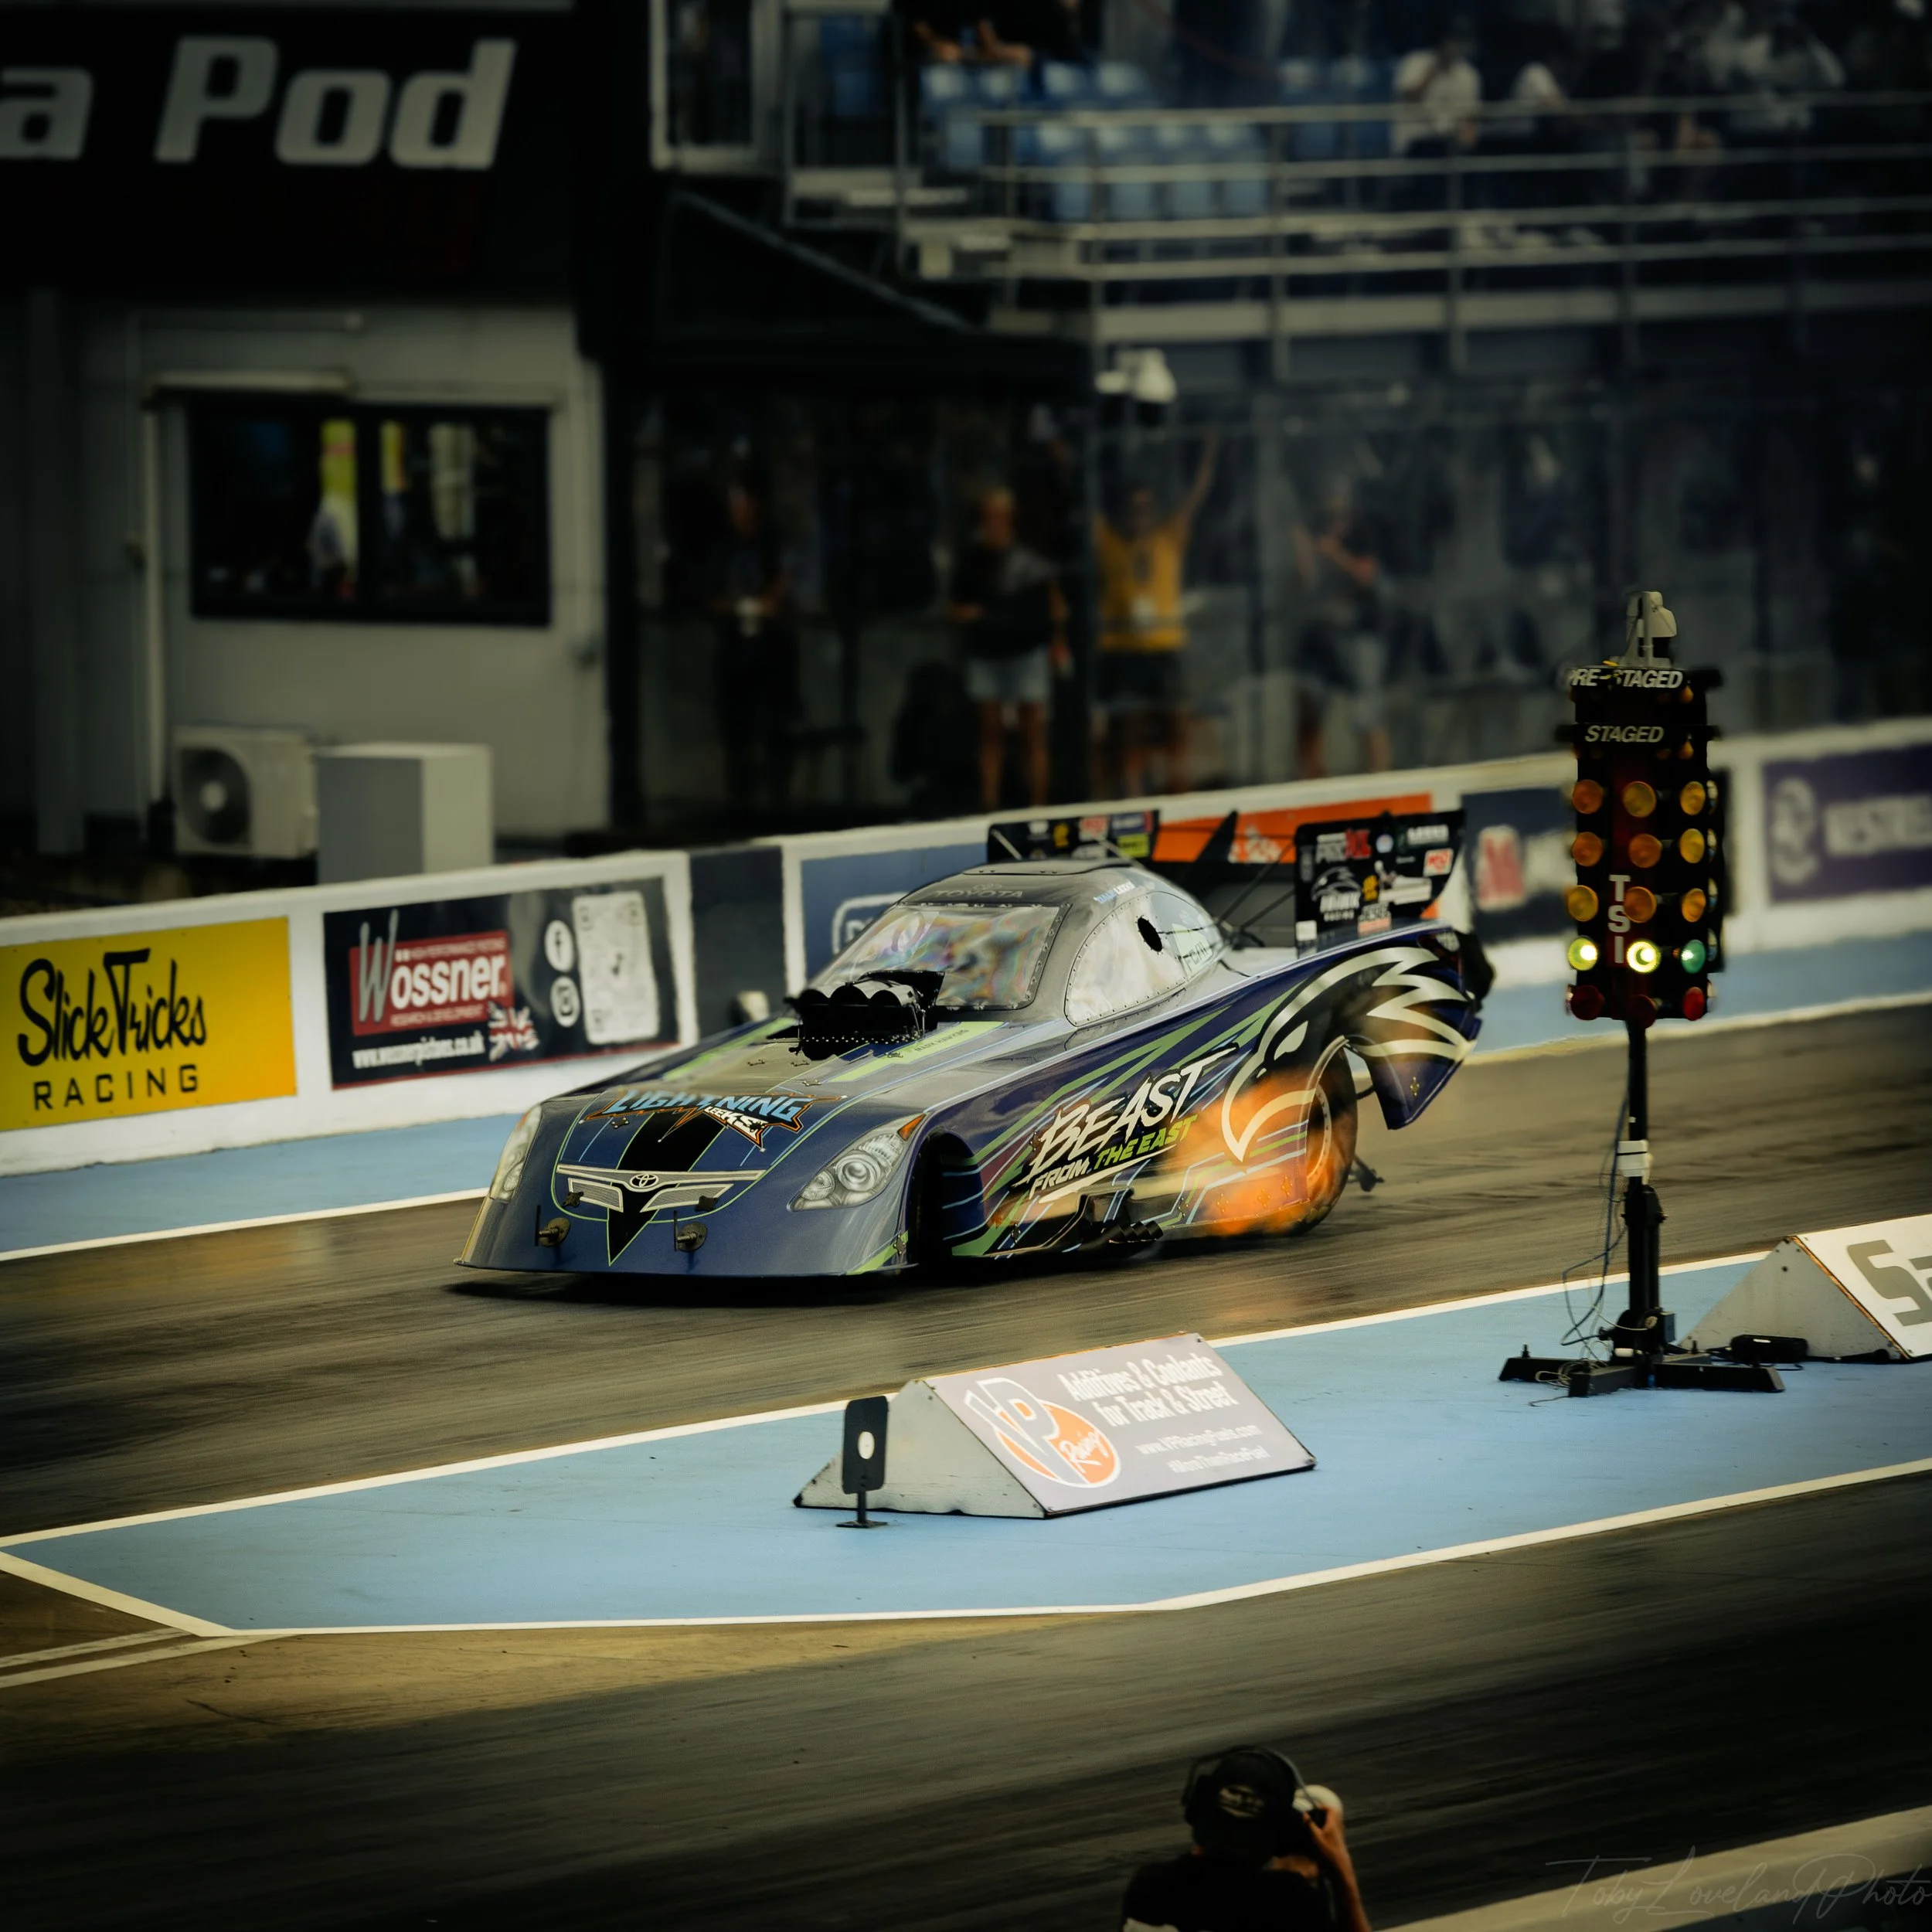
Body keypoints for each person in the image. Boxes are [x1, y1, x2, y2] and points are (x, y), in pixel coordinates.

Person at [1121, 1745, 1372, 1932]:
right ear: (1284, 1834)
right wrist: (1341, 1873)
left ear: (1197, 1807)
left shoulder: (1149, 1888)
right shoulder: (1289, 1902)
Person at [1094, 431, 1218, 798]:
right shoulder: (1111, 545)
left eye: (1146, 508)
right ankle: (1133, 796)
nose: (1140, 515)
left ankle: (1179, 792)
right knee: (1129, 729)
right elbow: (1087, 510)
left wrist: (1211, 445)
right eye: (1134, 508)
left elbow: (1197, 493)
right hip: (1125, 649)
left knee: (1177, 724)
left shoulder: (1168, 538)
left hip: (1165, 646)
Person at [948, 485, 1067, 809]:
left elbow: (1054, 604)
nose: (996, 521)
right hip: (987, 654)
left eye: (1002, 515)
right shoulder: (972, 559)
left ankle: (1038, 806)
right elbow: (956, 607)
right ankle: (989, 805)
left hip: (1027, 651)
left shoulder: (1029, 557)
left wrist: (1058, 642)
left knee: (1033, 734)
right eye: (990, 515)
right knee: (990, 734)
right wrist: (975, 615)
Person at [707, 479, 801, 808]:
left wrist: (766, 604)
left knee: (774, 727)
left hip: (771, 652)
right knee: (737, 732)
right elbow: (710, 593)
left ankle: (778, 797)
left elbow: (786, 580)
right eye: (734, 507)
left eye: (744, 505)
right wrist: (738, 607)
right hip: (734, 653)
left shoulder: (772, 544)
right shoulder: (723, 549)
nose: (740, 513)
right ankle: (740, 798)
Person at [1292, 490, 1389, 777]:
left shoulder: (1364, 534)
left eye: (1339, 513)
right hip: (1321, 633)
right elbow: (1305, 581)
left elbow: (1366, 575)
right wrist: (1302, 546)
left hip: (1359, 633)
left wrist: (1335, 554)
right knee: (1309, 707)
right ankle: (1311, 785)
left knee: (1367, 712)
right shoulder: (1310, 535)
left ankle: (1381, 780)